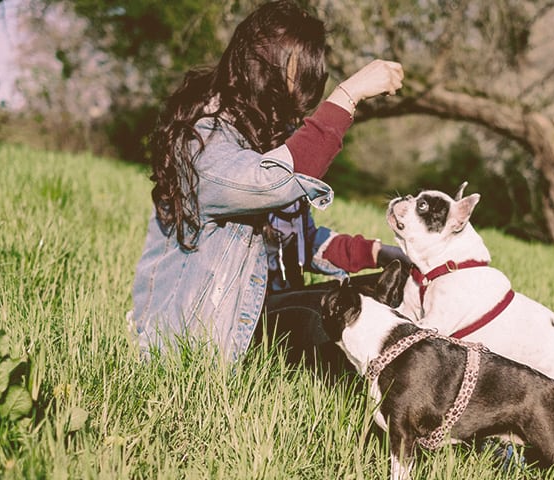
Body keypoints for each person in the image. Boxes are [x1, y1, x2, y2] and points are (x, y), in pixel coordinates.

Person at [129, 1, 407, 362]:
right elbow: (274, 181)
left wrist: (379, 253)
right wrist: (347, 95)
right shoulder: (205, 140)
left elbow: (300, 240)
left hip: (259, 312)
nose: (298, 99)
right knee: (347, 320)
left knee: (373, 300)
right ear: (261, 70)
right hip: (201, 339)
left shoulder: (266, 135)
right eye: (294, 80)